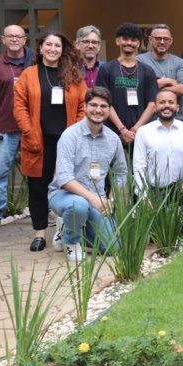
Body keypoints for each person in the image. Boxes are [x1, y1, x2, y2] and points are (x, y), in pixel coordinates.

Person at [13, 31, 87, 252]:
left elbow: (84, 105)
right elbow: (19, 106)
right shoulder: (29, 74)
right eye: (49, 45)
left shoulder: (73, 76)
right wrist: (28, 131)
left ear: (62, 50)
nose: (53, 49)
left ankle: (64, 229)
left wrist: (75, 131)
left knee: (68, 185)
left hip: (66, 142)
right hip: (38, 142)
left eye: (57, 45)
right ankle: (39, 234)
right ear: (41, 48)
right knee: (38, 187)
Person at [48, 87, 127, 262]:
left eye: (103, 106)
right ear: (85, 106)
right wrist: (94, 199)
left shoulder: (113, 139)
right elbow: (64, 178)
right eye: (93, 105)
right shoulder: (70, 136)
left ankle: (71, 226)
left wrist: (111, 200)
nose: (98, 110)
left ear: (109, 110)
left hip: (96, 201)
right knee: (78, 205)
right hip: (65, 196)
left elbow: (121, 173)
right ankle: (70, 240)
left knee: (114, 247)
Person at [133, 91, 183, 250]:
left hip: (180, 187)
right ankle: (153, 231)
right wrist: (144, 195)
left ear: (177, 107)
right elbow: (139, 167)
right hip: (154, 190)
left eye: (171, 102)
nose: (166, 105)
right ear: (155, 107)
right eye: (162, 102)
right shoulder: (143, 132)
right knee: (155, 239)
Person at [0, 24, 33, 230]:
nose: (14, 39)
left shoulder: (35, 61)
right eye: (10, 36)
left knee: (37, 171)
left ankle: (44, 210)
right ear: (3, 39)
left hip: (32, 126)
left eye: (19, 36)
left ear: (25, 40)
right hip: (5, 127)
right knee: (0, 171)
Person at [95, 23, 159, 144]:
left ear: (139, 43)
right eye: (125, 39)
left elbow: (152, 104)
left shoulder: (148, 71)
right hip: (112, 132)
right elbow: (104, 102)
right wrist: (122, 130)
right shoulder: (106, 69)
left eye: (133, 40)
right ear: (117, 41)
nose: (129, 43)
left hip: (141, 133)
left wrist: (135, 130)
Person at [137, 24, 183, 98]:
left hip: (173, 109)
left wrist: (154, 86)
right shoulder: (139, 60)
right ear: (150, 40)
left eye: (166, 39)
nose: (162, 42)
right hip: (148, 109)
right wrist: (169, 81)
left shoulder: (180, 62)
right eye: (158, 38)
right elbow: (137, 87)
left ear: (171, 41)